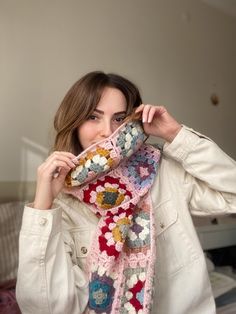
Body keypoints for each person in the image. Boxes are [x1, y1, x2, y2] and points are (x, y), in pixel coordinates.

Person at [16, 71, 236, 314]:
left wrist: (176, 135)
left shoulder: (163, 171)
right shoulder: (61, 204)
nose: (107, 131)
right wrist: (43, 207)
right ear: (74, 122)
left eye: (119, 118)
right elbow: (45, 308)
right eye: (93, 117)